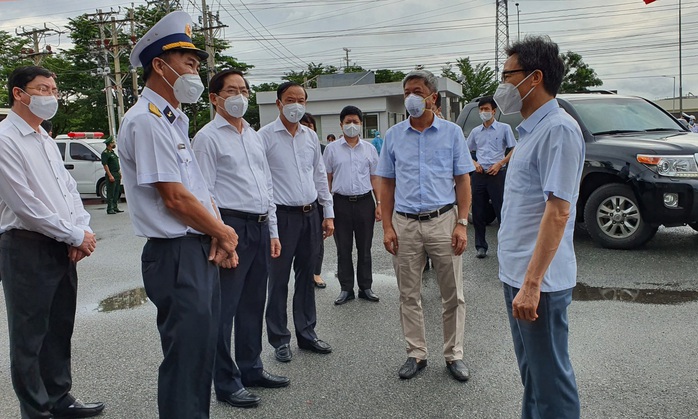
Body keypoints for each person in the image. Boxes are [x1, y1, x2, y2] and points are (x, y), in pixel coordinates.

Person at [119, 11, 239, 419]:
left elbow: (197, 191)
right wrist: (223, 232)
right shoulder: (147, 121)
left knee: (199, 354)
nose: (195, 72)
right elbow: (174, 198)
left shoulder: (173, 120)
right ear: (160, 65)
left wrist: (216, 234)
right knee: (186, 359)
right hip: (175, 254)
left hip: (193, 248)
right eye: (188, 63)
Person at [0, 66, 104, 418]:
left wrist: (82, 228)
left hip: (61, 243)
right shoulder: (6, 139)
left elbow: (68, 190)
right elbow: (24, 203)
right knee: (29, 336)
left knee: (59, 327)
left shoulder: (44, 137)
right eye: (43, 89)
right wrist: (74, 234)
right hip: (25, 245)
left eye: (54, 89)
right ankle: (36, 410)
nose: (51, 96)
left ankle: (60, 398)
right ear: (19, 93)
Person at [495, 35, 583, 419]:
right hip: (518, 275)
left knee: (551, 385)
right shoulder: (530, 131)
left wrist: (532, 285)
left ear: (534, 77)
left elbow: (558, 212)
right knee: (533, 377)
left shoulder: (558, 130)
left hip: (539, 284)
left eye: (506, 75)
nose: (502, 86)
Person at [192, 69, 289, 409]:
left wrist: (273, 230)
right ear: (214, 98)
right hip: (230, 226)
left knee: (252, 304)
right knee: (224, 310)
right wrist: (220, 237)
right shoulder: (207, 138)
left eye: (244, 90)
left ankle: (251, 368)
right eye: (231, 90)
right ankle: (226, 381)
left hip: (260, 226)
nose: (239, 96)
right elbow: (203, 193)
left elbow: (267, 185)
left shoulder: (252, 134)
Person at [377, 70, 474, 382]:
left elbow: (462, 180)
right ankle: (416, 354)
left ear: (433, 96)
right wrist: (387, 228)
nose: (411, 98)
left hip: (443, 221)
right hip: (405, 224)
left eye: (417, 91)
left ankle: (454, 355)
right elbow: (387, 185)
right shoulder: (393, 136)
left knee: (453, 294)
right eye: (407, 92)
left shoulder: (452, 133)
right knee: (409, 294)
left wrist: (461, 223)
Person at [260, 81, 334, 363]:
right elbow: (264, 183)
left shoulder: (310, 137)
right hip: (282, 216)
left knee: (306, 277)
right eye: (290, 99)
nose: (296, 104)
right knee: (278, 280)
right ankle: (279, 339)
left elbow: (319, 174)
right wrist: (272, 226)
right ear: (279, 103)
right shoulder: (264, 137)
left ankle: (307, 333)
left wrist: (328, 213)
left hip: (310, 214)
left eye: (301, 99)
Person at [324, 105, 381, 305]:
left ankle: (366, 287)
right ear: (341, 124)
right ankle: (346, 288)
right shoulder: (331, 149)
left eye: (355, 122)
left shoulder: (370, 149)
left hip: (365, 201)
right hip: (340, 203)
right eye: (348, 122)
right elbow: (327, 180)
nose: (351, 125)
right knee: (343, 249)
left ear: (361, 124)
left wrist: (379, 203)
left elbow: (375, 178)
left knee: (365, 247)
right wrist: (327, 209)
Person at [466, 96, 516, 259]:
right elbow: (465, 150)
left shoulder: (504, 128)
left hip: (497, 174)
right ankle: (481, 246)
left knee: (501, 210)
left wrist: (500, 163)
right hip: (480, 175)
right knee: (478, 213)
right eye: (481, 110)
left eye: (486, 109)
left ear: (493, 111)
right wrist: (474, 163)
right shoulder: (475, 132)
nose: (483, 112)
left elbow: (514, 149)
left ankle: (506, 246)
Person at [299, 112, 327, 288]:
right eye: (304, 125)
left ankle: (316, 272)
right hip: (296, 203)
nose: (307, 129)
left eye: (310, 126)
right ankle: (302, 272)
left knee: (318, 240)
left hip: (317, 201)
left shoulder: (322, 148)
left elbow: (324, 176)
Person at [101, 136, 123, 214]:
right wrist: (110, 175)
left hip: (116, 173)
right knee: (111, 192)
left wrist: (119, 172)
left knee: (117, 191)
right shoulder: (105, 153)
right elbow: (105, 165)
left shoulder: (112, 153)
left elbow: (116, 164)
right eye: (113, 142)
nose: (114, 144)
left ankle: (115, 207)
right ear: (109, 144)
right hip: (111, 174)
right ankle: (110, 208)